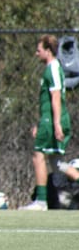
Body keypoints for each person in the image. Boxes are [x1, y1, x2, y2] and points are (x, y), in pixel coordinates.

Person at [19, 35, 74, 211]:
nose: (37, 53)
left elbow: (56, 97)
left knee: (38, 155)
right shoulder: (50, 68)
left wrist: (56, 124)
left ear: (48, 51)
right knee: (56, 163)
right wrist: (39, 122)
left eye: (39, 50)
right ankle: (43, 201)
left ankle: (41, 202)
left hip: (52, 121)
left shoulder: (53, 68)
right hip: (48, 120)